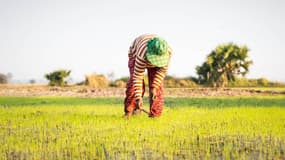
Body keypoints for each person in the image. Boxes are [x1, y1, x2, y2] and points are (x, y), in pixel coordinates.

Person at [124, 34, 172, 118]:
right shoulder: (142, 54)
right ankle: (130, 111)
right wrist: (138, 97)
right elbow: (137, 77)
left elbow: (161, 72)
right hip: (135, 55)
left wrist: (154, 87)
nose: (154, 63)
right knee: (133, 84)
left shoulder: (168, 53)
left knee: (157, 88)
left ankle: (155, 114)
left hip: (151, 55)